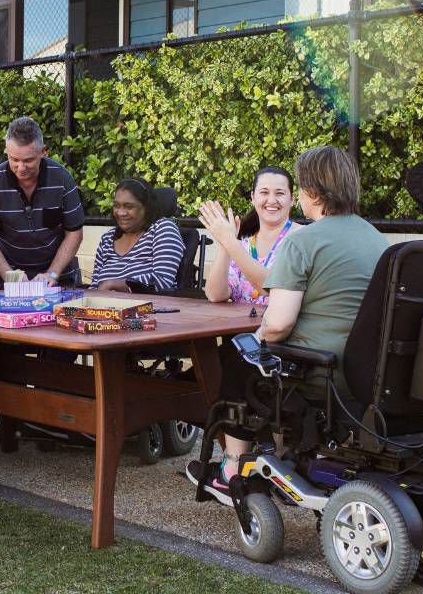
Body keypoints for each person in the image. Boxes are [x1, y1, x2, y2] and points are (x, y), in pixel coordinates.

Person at [187, 146, 387, 504]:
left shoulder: (302, 240)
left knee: (237, 357)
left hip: (322, 374)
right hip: (370, 373)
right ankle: (278, 457)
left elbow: (277, 325)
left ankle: (231, 467)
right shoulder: (376, 239)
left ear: (310, 192)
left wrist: (254, 341)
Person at [0, 116, 85, 287]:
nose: (21, 167)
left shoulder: (63, 180)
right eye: (14, 159)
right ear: (7, 152)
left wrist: (52, 273)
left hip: (59, 280)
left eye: (28, 160)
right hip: (5, 280)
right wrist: (8, 274)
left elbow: (74, 233)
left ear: (43, 152)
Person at [199, 167, 301, 305]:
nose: (271, 200)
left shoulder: (302, 238)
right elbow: (215, 295)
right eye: (264, 192)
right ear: (253, 198)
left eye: (280, 193)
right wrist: (225, 244)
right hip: (240, 326)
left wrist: (229, 241)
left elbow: (272, 286)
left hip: (282, 326)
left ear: (292, 199)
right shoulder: (243, 245)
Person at [90, 178, 184, 293]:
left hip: (148, 308)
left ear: (146, 208)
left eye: (128, 207)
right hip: (103, 308)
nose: (120, 213)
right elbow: (94, 287)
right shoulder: (107, 239)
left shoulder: (162, 229)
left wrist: (113, 284)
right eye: (116, 205)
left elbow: (162, 281)